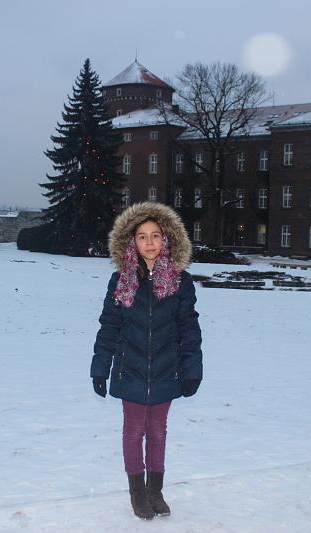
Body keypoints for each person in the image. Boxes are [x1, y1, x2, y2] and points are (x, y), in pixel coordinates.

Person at [90, 202, 203, 520]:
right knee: (133, 430)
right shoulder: (121, 281)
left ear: (166, 240)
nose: (150, 242)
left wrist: (192, 370)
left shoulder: (181, 282)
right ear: (132, 242)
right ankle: (137, 493)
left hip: (167, 370)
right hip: (131, 370)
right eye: (142, 236)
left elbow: (189, 329)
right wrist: (100, 368)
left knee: (158, 431)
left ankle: (155, 490)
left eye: (156, 235)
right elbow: (109, 327)